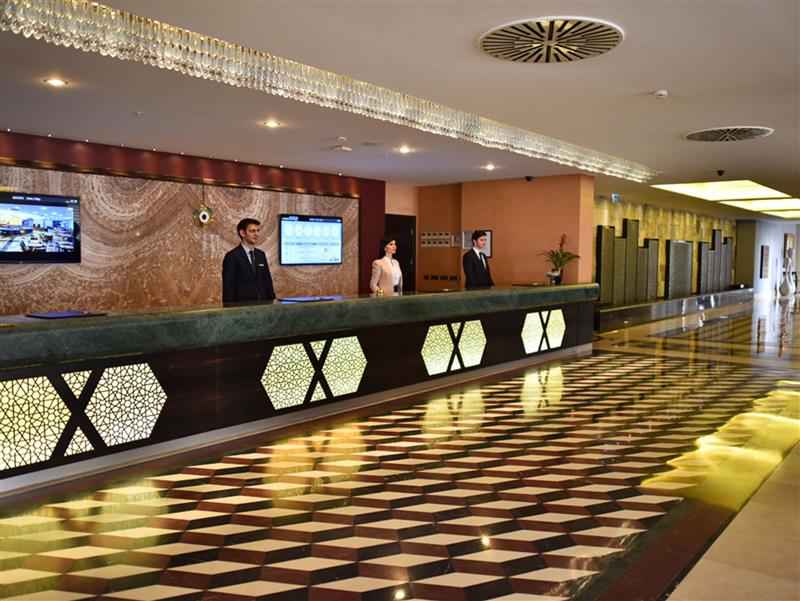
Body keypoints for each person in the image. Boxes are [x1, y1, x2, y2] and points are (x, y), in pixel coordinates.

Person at [222, 218, 276, 304]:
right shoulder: (232, 256)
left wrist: (272, 303)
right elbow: (228, 289)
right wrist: (229, 309)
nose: (256, 234)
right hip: (242, 308)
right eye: (252, 231)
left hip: (263, 306)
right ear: (242, 233)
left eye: (258, 231)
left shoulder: (261, 255)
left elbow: (268, 282)